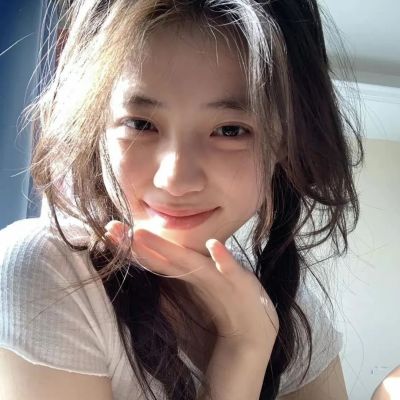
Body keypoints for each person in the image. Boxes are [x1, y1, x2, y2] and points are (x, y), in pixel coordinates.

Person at [0, 0, 363, 399]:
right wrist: (243, 350)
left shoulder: (292, 311)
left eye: (230, 130)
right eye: (140, 124)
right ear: (96, 125)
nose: (174, 180)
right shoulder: (48, 272)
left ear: (284, 142)